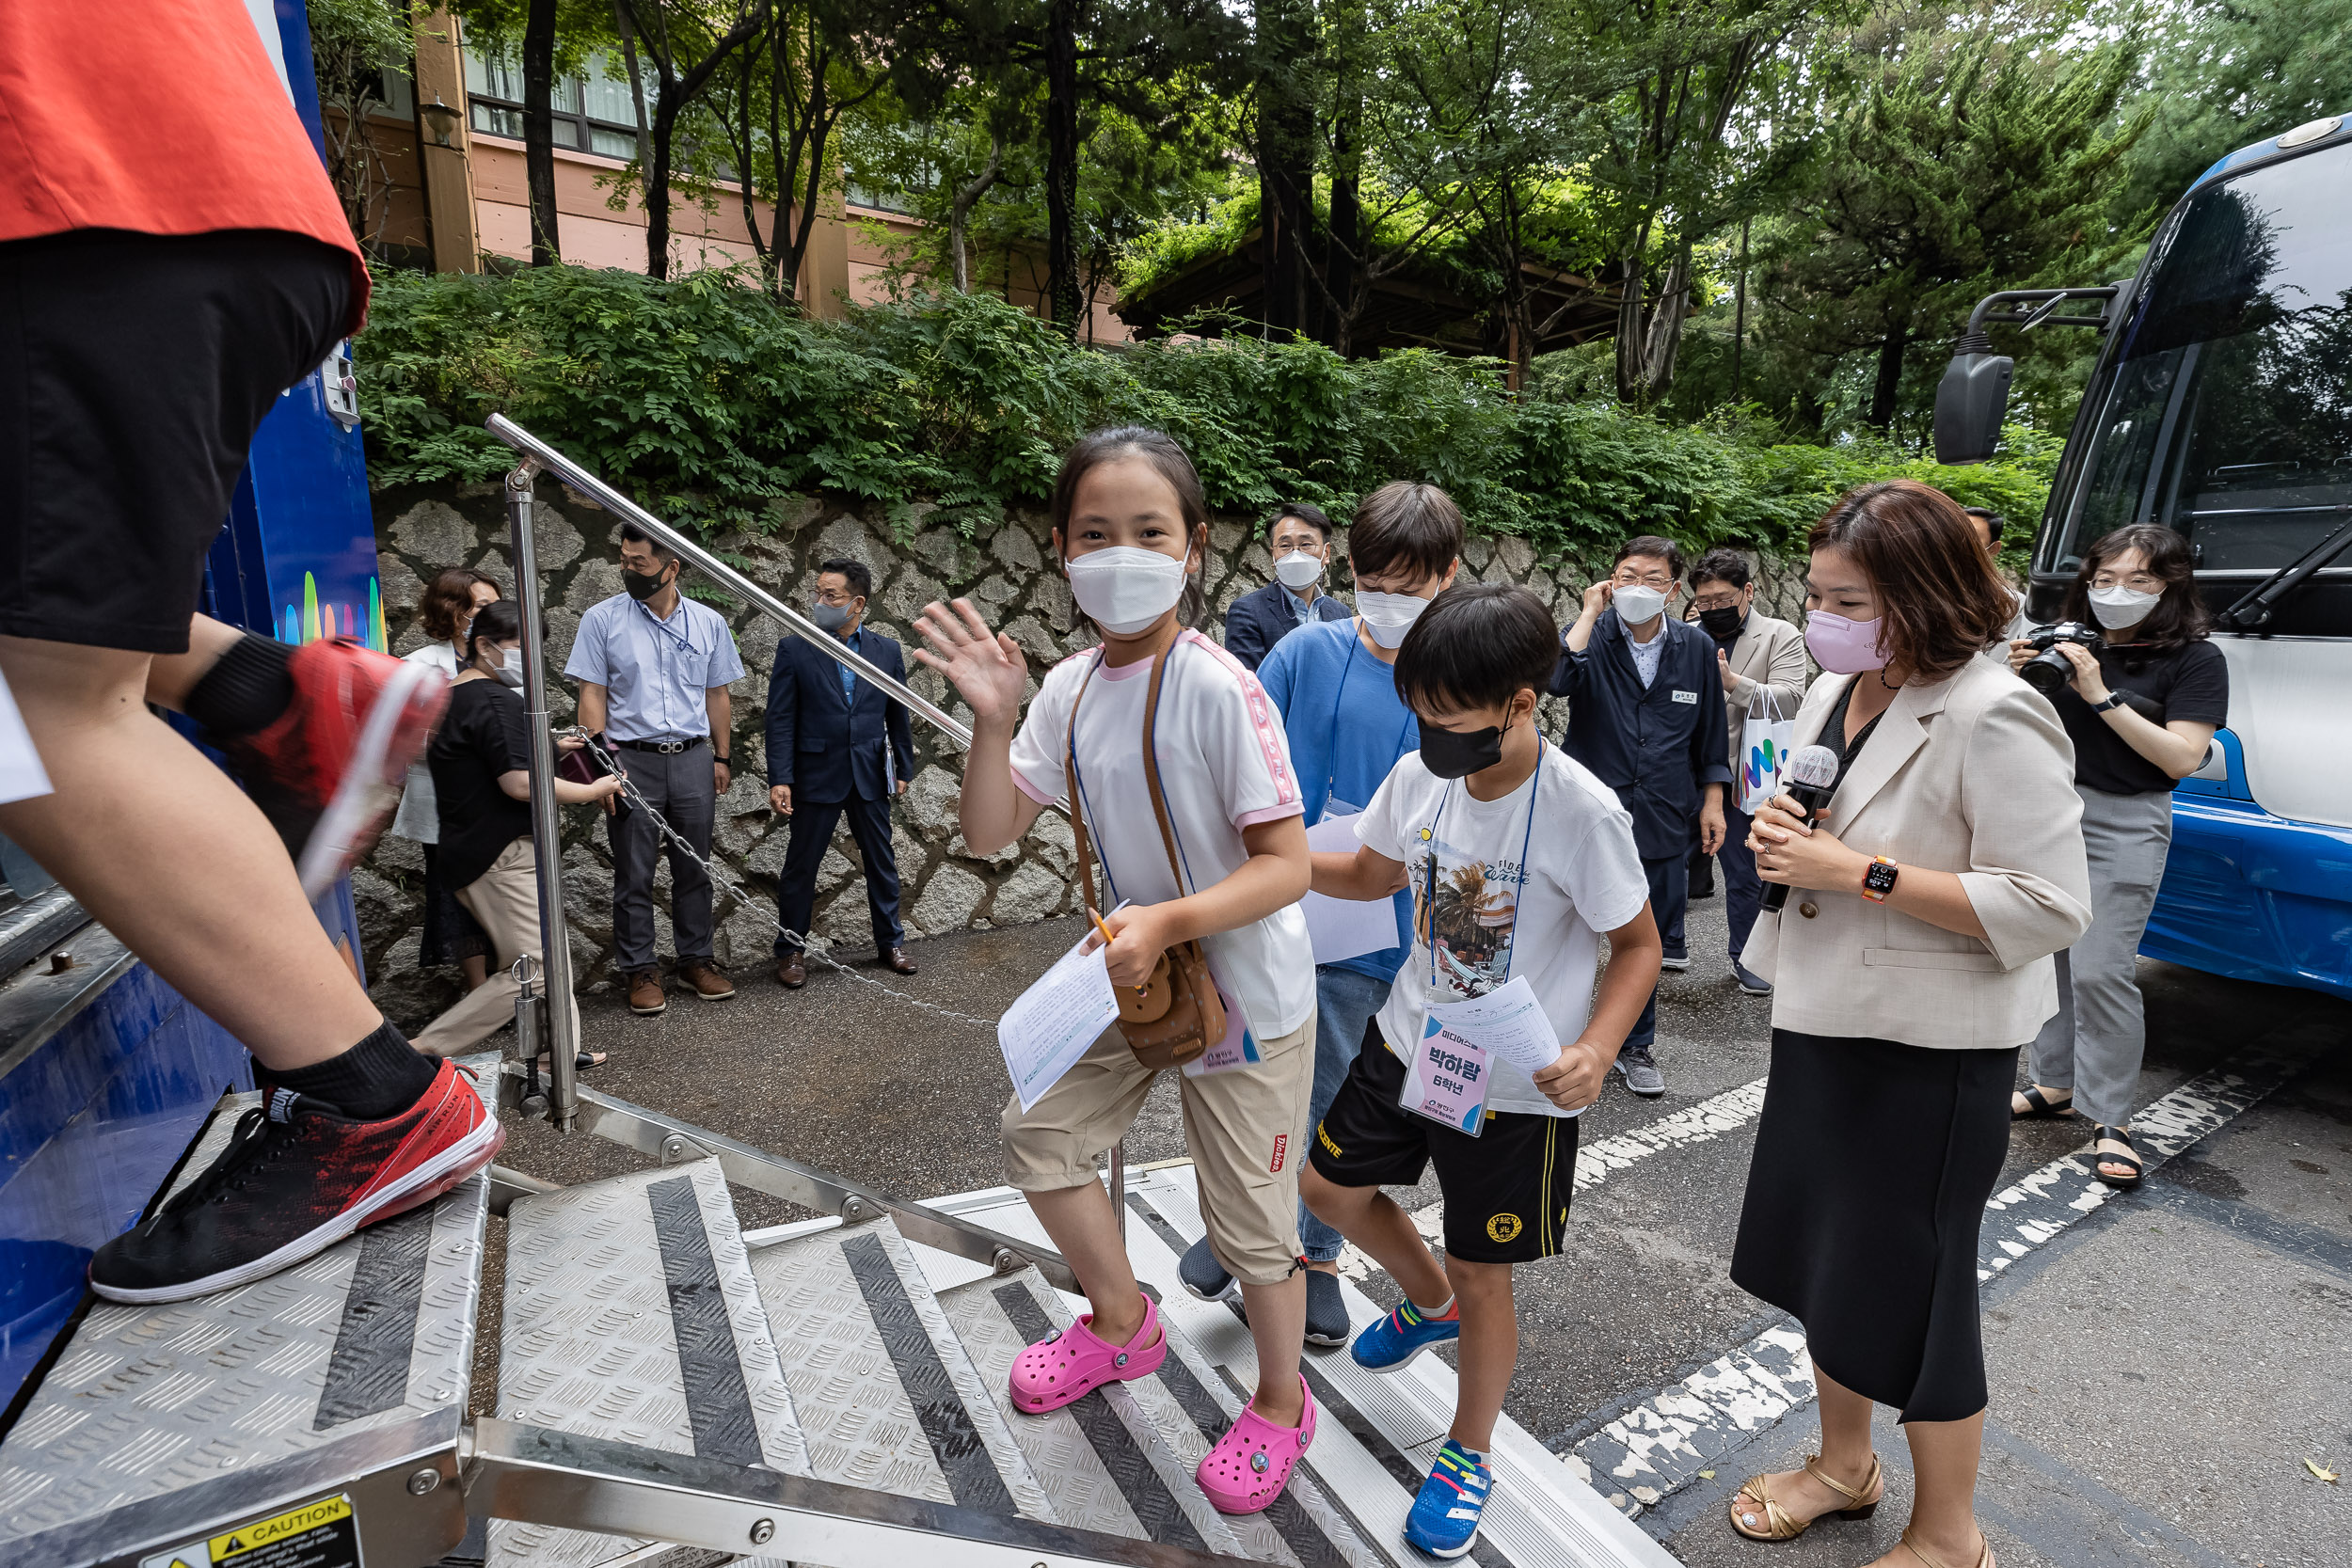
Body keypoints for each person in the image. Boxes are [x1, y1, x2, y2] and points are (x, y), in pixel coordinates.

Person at [5, 1, 501, 1305]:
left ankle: (373, 1098)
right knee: (49, 617)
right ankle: (274, 690)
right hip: (204, 173)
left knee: (35, 701)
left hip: (66, 187)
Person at [914, 427, 1321, 1517]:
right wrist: (991, 722)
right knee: (1037, 1134)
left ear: (1192, 551)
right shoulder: (1069, 685)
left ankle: (1281, 1402)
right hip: (1133, 971)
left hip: (1247, 994)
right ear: (1060, 549)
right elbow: (993, 832)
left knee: (1248, 1230)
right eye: (1096, 532)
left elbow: (1287, 867)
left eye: (1150, 531)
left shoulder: (1221, 689)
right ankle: (1119, 1318)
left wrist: (1168, 917)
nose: (1122, 552)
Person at [1730, 480, 2090, 1568]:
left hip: (1931, 1053)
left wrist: (1861, 869)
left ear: (1919, 596)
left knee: (1921, 1294)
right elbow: (1821, 821)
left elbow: (2049, 902)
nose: (1821, 615)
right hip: (1823, 1016)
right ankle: (1845, 1465)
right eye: (1816, 593)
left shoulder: (1994, 708)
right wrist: (1784, 837)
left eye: (1846, 598)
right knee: (1821, 1259)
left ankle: (1949, 1534)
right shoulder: (1836, 686)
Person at [1300, 583, 1661, 1559]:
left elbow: (1635, 944)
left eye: (1451, 719)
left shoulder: (1583, 812)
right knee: (1328, 1186)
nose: (1431, 735)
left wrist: (1594, 1048)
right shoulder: (1424, 774)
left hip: (1513, 1086)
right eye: (1420, 712)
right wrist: (1275, 857)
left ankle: (1467, 1449)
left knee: (1484, 1265)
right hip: (1406, 1036)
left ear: (1521, 700)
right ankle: (1427, 1303)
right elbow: (1372, 873)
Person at [1175, 480, 1463, 1347]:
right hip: (1279, 897)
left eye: (1410, 585)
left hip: (1390, 916)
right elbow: (1235, 751)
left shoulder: (1457, 676)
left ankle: (1316, 1253)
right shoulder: (1305, 654)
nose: (1390, 599)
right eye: (1375, 578)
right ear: (1350, 569)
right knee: (1249, 1068)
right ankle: (1246, 1227)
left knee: (1335, 1085)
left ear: (1448, 578)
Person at [2007, 523, 2225, 1186]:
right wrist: (2021, 681)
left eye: (2138, 580)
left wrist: (2100, 693)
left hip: (2127, 818)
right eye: (2103, 579)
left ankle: (2113, 1117)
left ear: (2171, 585)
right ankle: (2055, 1082)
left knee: (2101, 967)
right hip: (2052, 809)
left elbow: (2182, 756)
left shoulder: (2195, 659)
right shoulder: (2069, 643)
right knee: (2046, 954)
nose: (2116, 593)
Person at [1552, 535, 1730, 1096]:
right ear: (1610, 581)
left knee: (1643, 934)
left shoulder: (1695, 649)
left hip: (1662, 812)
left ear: (1674, 590)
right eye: (1627, 576)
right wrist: (1587, 612)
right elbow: (1556, 680)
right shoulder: (1594, 638)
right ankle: (1553, 1033)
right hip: (1584, 813)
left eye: (1652, 579)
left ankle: (1634, 1044)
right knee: (1564, 926)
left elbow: (1711, 734)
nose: (1638, 588)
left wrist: (1713, 801)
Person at [410, 601, 624, 1059]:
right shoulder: (496, 700)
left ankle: (560, 1051)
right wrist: (594, 789)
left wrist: (550, 747)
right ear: (484, 646)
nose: (528, 662)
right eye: (519, 649)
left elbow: (488, 759)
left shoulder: (455, 695)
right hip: (500, 852)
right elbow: (519, 782)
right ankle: (421, 1050)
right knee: (537, 966)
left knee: (549, 952)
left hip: (475, 846)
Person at [566, 522, 747, 1015]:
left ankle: (695, 960)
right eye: (624, 560)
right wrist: (597, 768)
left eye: (638, 563)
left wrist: (722, 756)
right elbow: (591, 694)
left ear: (672, 567)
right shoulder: (601, 620)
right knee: (634, 871)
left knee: (696, 866)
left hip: (693, 757)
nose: (628, 569)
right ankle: (640, 969)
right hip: (630, 761)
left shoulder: (708, 623)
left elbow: (718, 694)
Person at [767, 558, 918, 987]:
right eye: (817, 592)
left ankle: (891, 942)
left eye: (829, 595)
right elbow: (780, 719)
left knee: (881, 861)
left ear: (857, 603)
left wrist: (903, 765)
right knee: (801, 864)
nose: (819, 601)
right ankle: (791, 950)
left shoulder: (886, 650)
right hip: (816, 772)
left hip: (870, 770)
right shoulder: (795, 649)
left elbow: (897, 712)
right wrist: (780, 776)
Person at [1690, 549, 1808, 996]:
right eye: (1704, 602)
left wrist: (1733, 684)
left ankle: (1748, 957)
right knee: (1665, 866)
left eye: (1722, 599)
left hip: (1750, 775)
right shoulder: (1686, 635)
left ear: (1748, 592)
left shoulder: (1780, 634)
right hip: (1686, 770)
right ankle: (1668, 946)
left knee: (1746, 871)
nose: (1713, 610)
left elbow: (1794, 698)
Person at [393, 568, 504, 992]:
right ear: (453, 611)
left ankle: (514, 985)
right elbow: (402, 739)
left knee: (508, 892)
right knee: (454, 895)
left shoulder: (508, 658)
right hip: (446, 802)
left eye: (496, 605)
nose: (491, 613)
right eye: (481, 606)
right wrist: (464, 745)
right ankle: (479, 990)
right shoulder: (417, 666)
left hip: (500, 798)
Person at [1221, 502, 1352, 670]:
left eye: (1306, 545)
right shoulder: (1247, 612)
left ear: (1326, 553)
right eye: (1285, 546)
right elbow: (1252, 687)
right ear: (1273, 555)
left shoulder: (1341, 613)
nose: (1295, 553)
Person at [1963, 507, 2029, 641]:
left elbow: (1999, 659)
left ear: (1993, 549)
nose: (1960, 545)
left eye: (1972, 541)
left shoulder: (2010, 604)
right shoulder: (1921, 590)